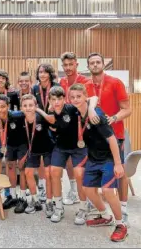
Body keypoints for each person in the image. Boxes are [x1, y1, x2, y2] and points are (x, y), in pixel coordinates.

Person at [68, 83, 127, 242]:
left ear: (85, 97)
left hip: (109, 157)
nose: (75, 99)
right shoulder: (77, 114)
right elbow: (93, 98)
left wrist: (118, 163)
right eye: (72, 97)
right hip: (94, 158)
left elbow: (112, 139)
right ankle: (105, 216)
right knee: (87, 189)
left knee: (108, 191)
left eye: (79, 96)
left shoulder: (97, 116)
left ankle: (121, 225)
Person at [85, 52, 132, 225]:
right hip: (94, 141)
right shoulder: (86, 85)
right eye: (92, 63)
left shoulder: (115, 83)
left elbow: (127, 109)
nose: (95, 65)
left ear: (103, 64)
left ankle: (123, 208)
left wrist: (114, 118)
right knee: (92, 180)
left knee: (119, 173)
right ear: (88, 66)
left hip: (115, 136)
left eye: (98, 62)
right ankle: (104, 212)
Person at [41, 86, 98, 224]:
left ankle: (83, 208)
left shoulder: (72, 108)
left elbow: (93, 98)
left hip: (79, 147)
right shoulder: (50, 114)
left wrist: (91, 109)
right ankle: (59, 207)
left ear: (64, 99)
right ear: (49, 100)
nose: (56, 102)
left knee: (79, 174)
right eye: (53, 99)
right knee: (54, 172)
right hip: (61, 147)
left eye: (59, 99)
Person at [59, 52, 91, 206]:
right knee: (68, 162)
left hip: (83, 127)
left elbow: (91, 103)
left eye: (71, 64)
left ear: (77, 64)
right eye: (65, 65)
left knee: (83, 164)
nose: (68, 68)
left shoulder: (86, 81)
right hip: (68, 127)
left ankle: (88, 194)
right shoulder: (61, 82)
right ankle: (73, 191)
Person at [0, 95, 28, 212]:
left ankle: (22, 198)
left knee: (22, 169)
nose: (0, 110)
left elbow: (29, 122)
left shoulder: (18, 116)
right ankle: (12, 197)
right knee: (11, 168)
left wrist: (27, 151)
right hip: (9, 146)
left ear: (8, 106)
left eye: (3, 107)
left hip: (22, 144)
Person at [30, 63, 60, 202]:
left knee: (54, 162)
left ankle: (56, 190)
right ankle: (42, 187)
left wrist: (41, 110)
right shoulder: (34, 88)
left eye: (45, 72)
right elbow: (32, 106)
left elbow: (56, 107)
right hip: (40, 126)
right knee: (42, 159)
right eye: (40, 72)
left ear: (50, 74)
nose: (42, 74)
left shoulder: (55, 87)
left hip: (55, 125)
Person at [21, 94, 53, 216]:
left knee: (48, 174)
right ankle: (35, 200)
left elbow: (52, 120)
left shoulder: (41, 117)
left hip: (47, 149)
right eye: (25, 106)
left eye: (31, 105)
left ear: (36, 106)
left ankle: (49, 202)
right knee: (28, 172)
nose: (28, 108)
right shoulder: (20, 119)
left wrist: (40, 111)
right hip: (32, 150)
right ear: (21, 107)